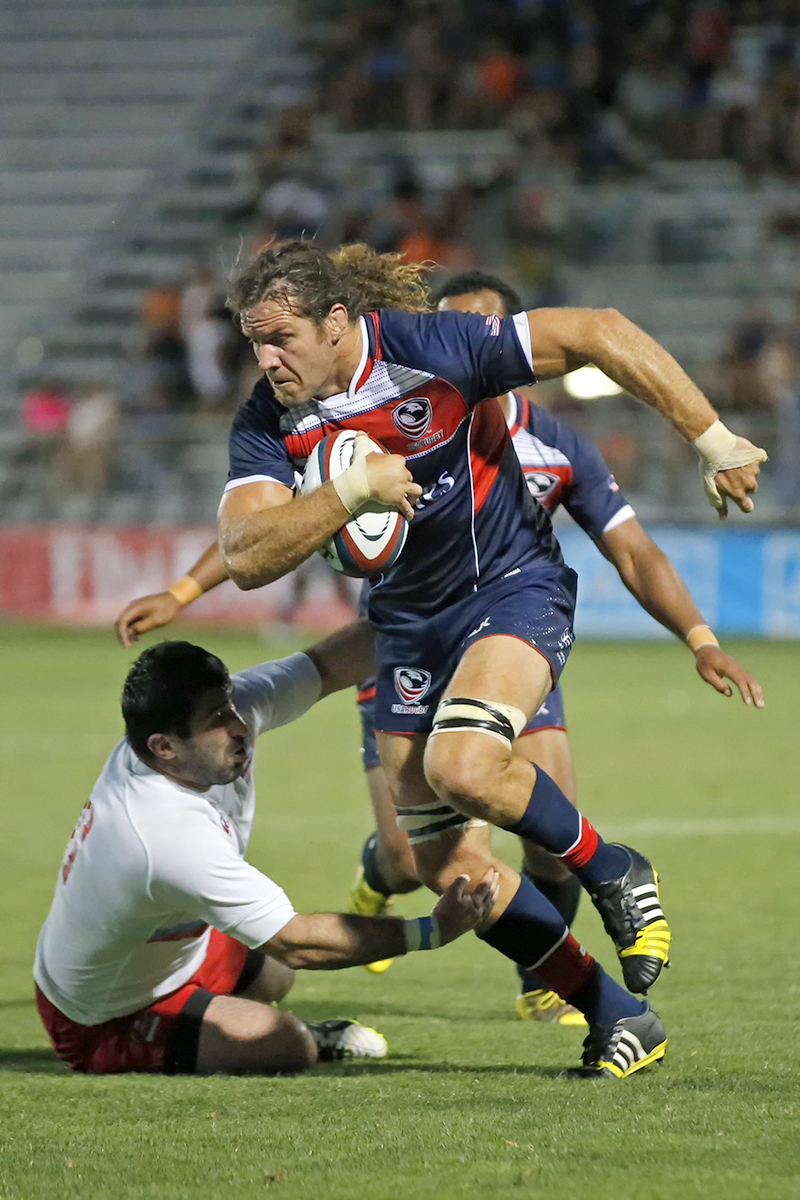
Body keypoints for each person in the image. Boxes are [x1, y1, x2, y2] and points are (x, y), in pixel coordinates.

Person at [120, 242, 765, 1077]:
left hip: (507, 588)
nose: (267, 360)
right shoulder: (268, 419)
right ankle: (618, 1014)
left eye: (282, 339)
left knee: (463, 765)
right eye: (254, 343)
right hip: (406, 628)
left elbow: (601, 330)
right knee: (445, 865)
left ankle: (614, 868)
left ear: (338, 321)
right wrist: (348, 493)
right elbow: (245, 552)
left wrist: (712, 437)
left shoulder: (430, 347)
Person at [347, 269, 764, 1016]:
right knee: (419, 861)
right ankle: (381, 876)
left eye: (480, 331)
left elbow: (633, 551)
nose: (461, 347)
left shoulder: (557, 445)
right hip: (412, 644)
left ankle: (546, 977)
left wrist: (700, 638)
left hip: (507, 631)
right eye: (449, 331)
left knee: (548, 830)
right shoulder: (390, 426)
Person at [34, 626, 496, 1076]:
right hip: (101, 1011)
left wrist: (424, 620)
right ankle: (289, 1035)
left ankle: (217, 1015)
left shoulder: (201, 734)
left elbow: (324, 666)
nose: (239, 725)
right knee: (285, 1043)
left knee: (274, 976)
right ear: (165, 747)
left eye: (229, 705)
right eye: (216, 719)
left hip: (168, 949)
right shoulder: (162, 831)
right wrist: (432, 930)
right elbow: (296, 941)